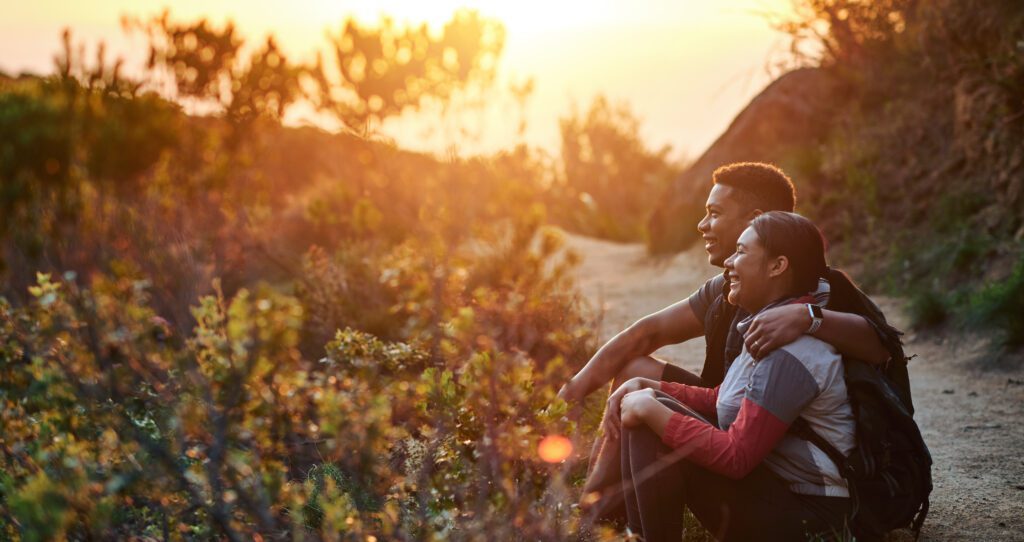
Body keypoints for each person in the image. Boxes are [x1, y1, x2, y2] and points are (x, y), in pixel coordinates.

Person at [560, 162, 897, 518]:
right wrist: (570, 395)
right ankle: (595, 508)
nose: (702, 225)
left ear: (755, 220)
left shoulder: (817, 289)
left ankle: (591, 518)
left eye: (714, 213)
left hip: (799, 460)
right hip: (732, 411)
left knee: (648, 412)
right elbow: (648, 333)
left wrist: (807, 317)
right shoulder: (728, 286)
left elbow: (881, 347)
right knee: (634, 372)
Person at [612, 211, 855, 541]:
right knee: (644, 402)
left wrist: (651, 409)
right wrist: (650, 387)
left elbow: (736, 457)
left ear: (777, 266)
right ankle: (638, 534)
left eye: (741, 251)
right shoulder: (769, 327)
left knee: (647, 417)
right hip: (775, 488)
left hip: (810, 515)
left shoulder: (791, 354)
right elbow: (723, 398)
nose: (728, 261)